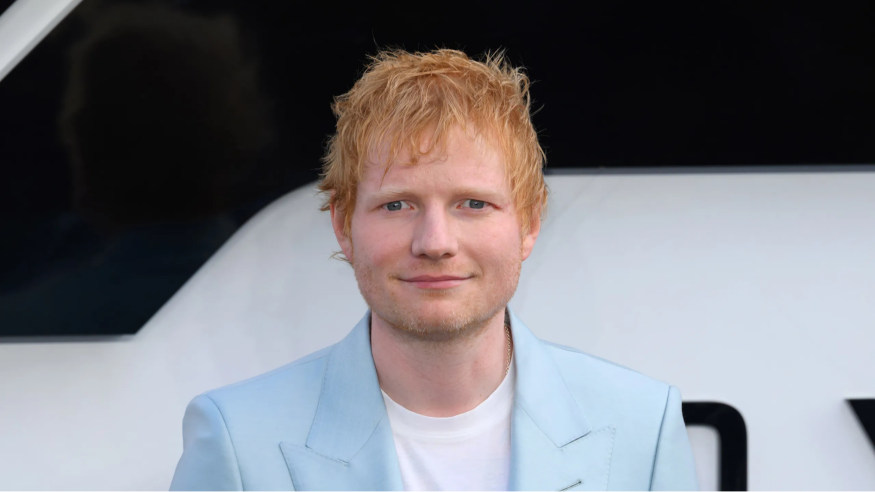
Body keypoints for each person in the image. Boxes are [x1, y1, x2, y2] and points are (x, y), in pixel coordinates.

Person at [170, 49, 699, 491]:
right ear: (343, 226)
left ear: (530, 223)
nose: (435, 243)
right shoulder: (237, 438)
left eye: (473, 203)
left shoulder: (642, 426)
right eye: (397, 205)